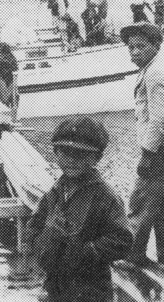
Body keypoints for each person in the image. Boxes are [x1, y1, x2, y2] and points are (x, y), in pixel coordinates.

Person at [26, 117, 132, 302]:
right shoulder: (55, 192)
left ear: (96, 158)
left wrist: (87, 252)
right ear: (56, 153)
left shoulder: (105, 197)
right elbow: (34, 226)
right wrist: (43, 245)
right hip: (56, 285)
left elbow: (123, 238)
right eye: (65, 152)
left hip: (91, 288)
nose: (71, 160)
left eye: (80, 154)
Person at [122, 24, 164, 270]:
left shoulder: (155, 74)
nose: (135, 52)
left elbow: (160, 119)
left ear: (156, 46)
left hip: (161, 150)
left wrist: (147, 155)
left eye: (141, 46)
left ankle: (132, 256)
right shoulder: (158, 68)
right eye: (131, 47)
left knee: (141, 204)